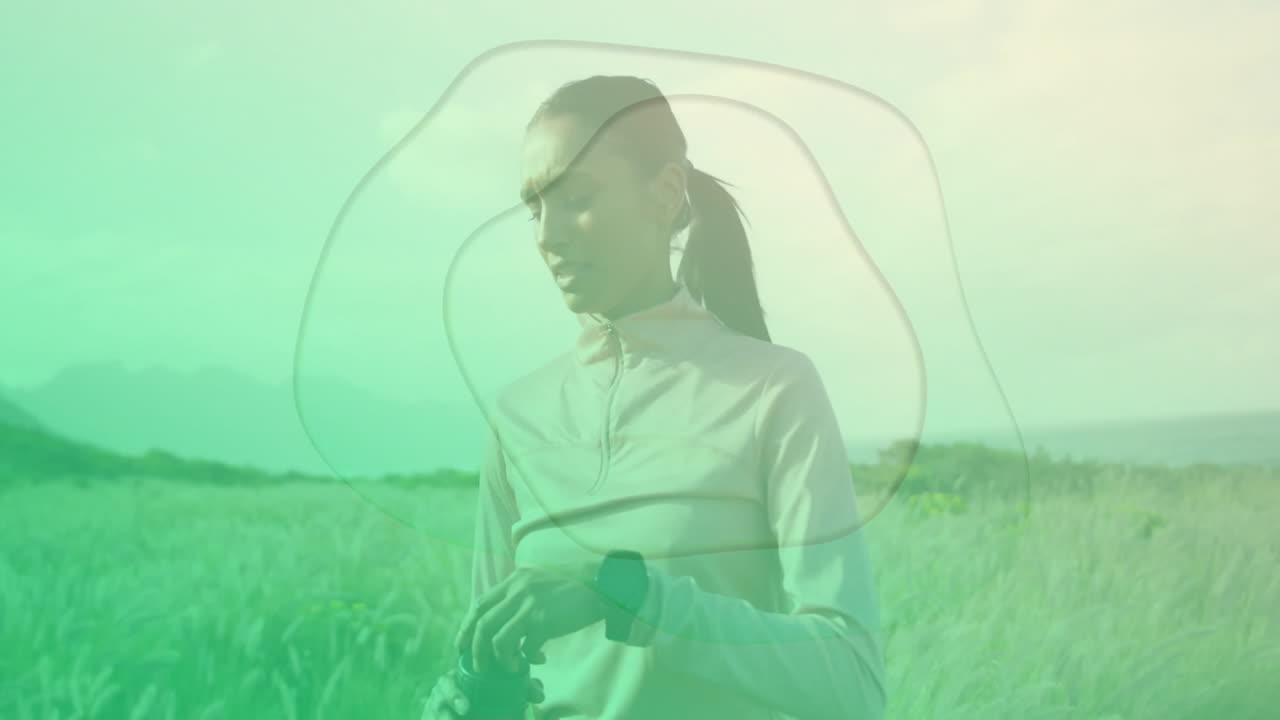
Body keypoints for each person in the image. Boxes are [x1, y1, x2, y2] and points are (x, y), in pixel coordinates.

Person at [424, 74, 886, 720]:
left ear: (666, 192)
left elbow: (852, 681)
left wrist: (624, 594)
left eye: (576, 196)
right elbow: (490, 658)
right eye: (535, 206)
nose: (547, 234)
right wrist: (465, 700)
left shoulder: (773, 389)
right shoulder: (517, 415)